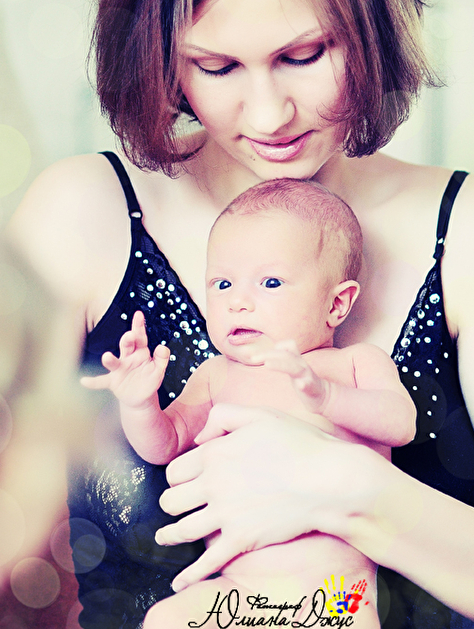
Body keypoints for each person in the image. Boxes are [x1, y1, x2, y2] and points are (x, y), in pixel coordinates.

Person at [6, 0, 474, 627]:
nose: (267, 116)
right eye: (215, 67)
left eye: (304, 54)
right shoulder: (81, 217)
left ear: (368, 18)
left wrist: (349, 491)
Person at [81, 178, 416, 628]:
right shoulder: (216, 375)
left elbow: (401, 424)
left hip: (337, 591)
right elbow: (164, 445)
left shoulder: (354, 364)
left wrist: (328, 396)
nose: (237, 302)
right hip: (236, 591)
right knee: (166, 618)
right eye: (222, 283)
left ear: (337, 304)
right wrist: (140, 404)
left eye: (270, 282)